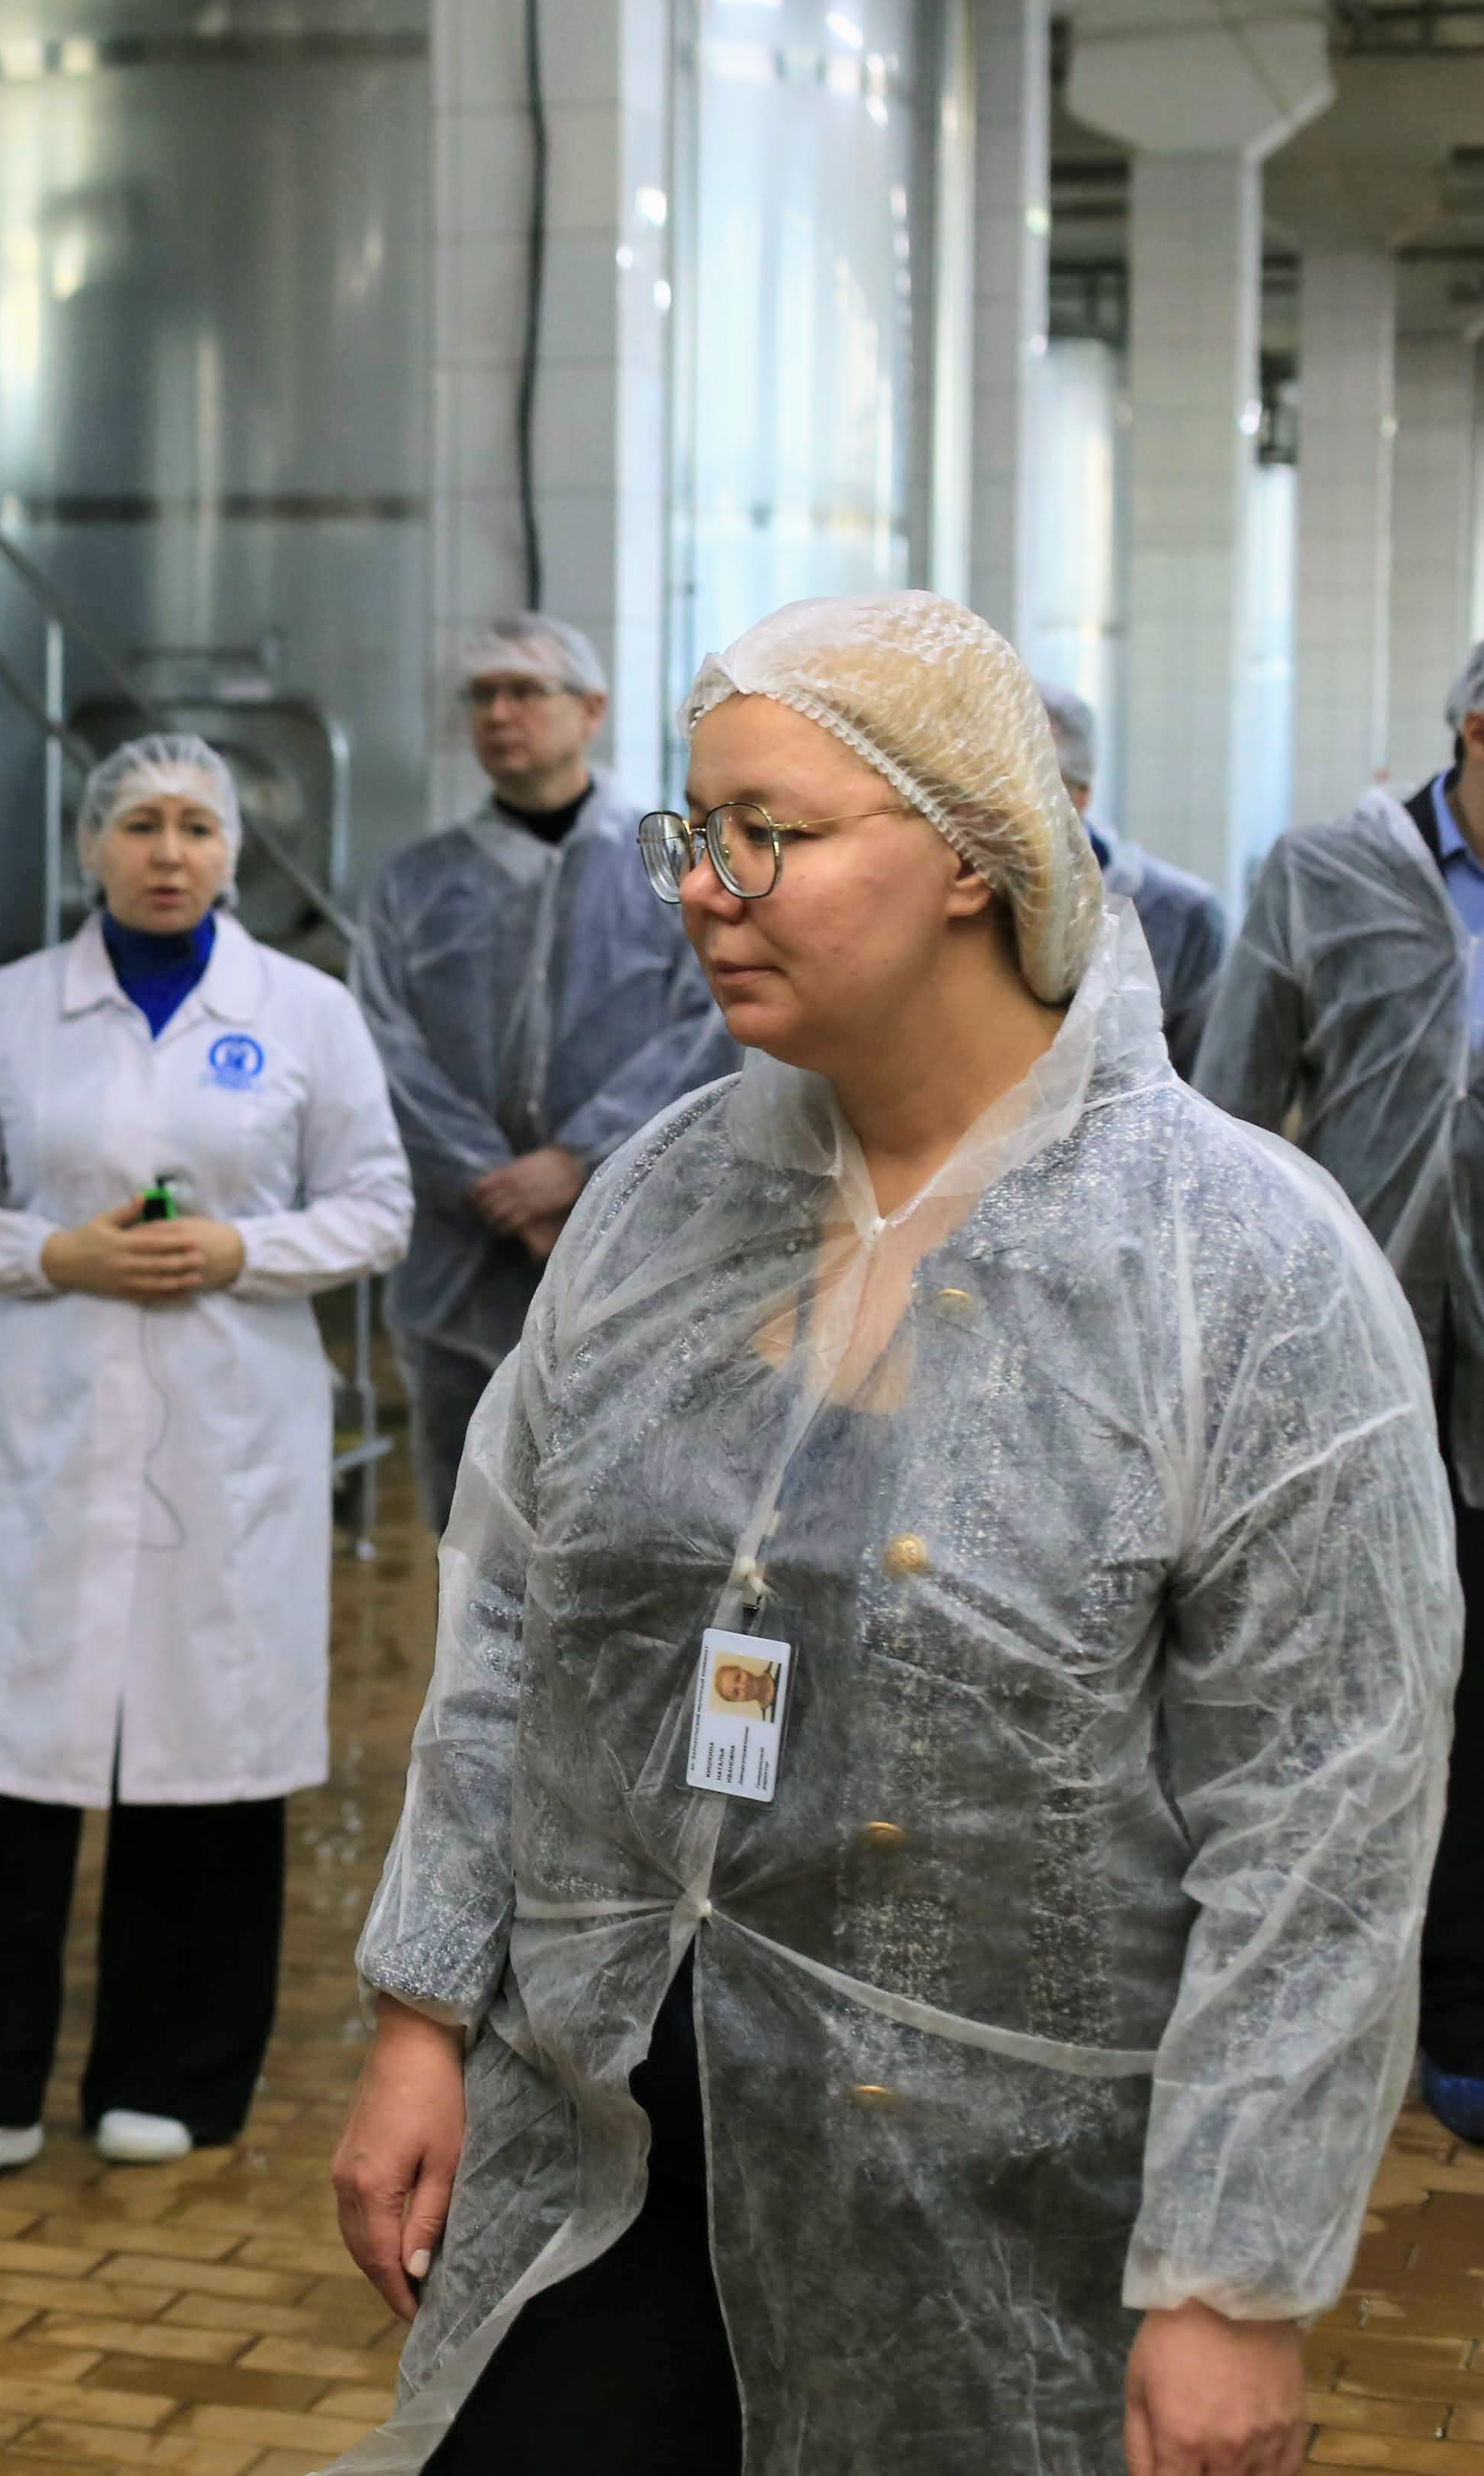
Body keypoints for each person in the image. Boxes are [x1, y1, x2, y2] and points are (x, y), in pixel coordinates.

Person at [328, 591, 1455, 2475]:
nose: (704, 888)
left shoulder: (1232, 1270)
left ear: (970, 856)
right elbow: (514, 1622)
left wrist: (1227, 2279)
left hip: (997, 2202)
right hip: (607, 2137)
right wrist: (423, 2014)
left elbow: (1318, 1821)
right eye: (690, 830)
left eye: (767, 830)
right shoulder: (665, 1204)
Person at [0, 734, 409, 2186]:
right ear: (88, 848)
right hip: (44, 1423)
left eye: (193, 826)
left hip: (230, 1429)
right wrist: (48, 1253)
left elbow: (376, 1205)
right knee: (11, 1751)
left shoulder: (301, 1011)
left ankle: (174, 2073)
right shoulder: (7, 1009)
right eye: (137, 825)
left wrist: (243, 1249)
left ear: (229, 852)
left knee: (207, 1743)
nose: (166, 852)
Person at [1202, 635, 1484, 2145]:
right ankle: (1315, 1996)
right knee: (1331, 1685)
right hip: (1350, 1347)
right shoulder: (1322, 874)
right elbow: (1233, 1111)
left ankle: (1462, 2007)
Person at [350, 614, 729, 1533]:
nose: (497, 713)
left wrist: (578, 1162)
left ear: (590, 710)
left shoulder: (669, 870)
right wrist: (496, 1184)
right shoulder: (411, 885)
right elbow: (381, 1046)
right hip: (461, 1261)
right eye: (482, 695)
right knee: (466, 1531)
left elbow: (708, 1023)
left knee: (625, 1522)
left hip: (630, 1248)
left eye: (523, 691)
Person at [1040, 680, 1227, 1076]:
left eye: (1037, 786)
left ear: (1082, 795)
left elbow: (1206, 1083)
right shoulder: (960, 902)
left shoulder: (1180, 914)